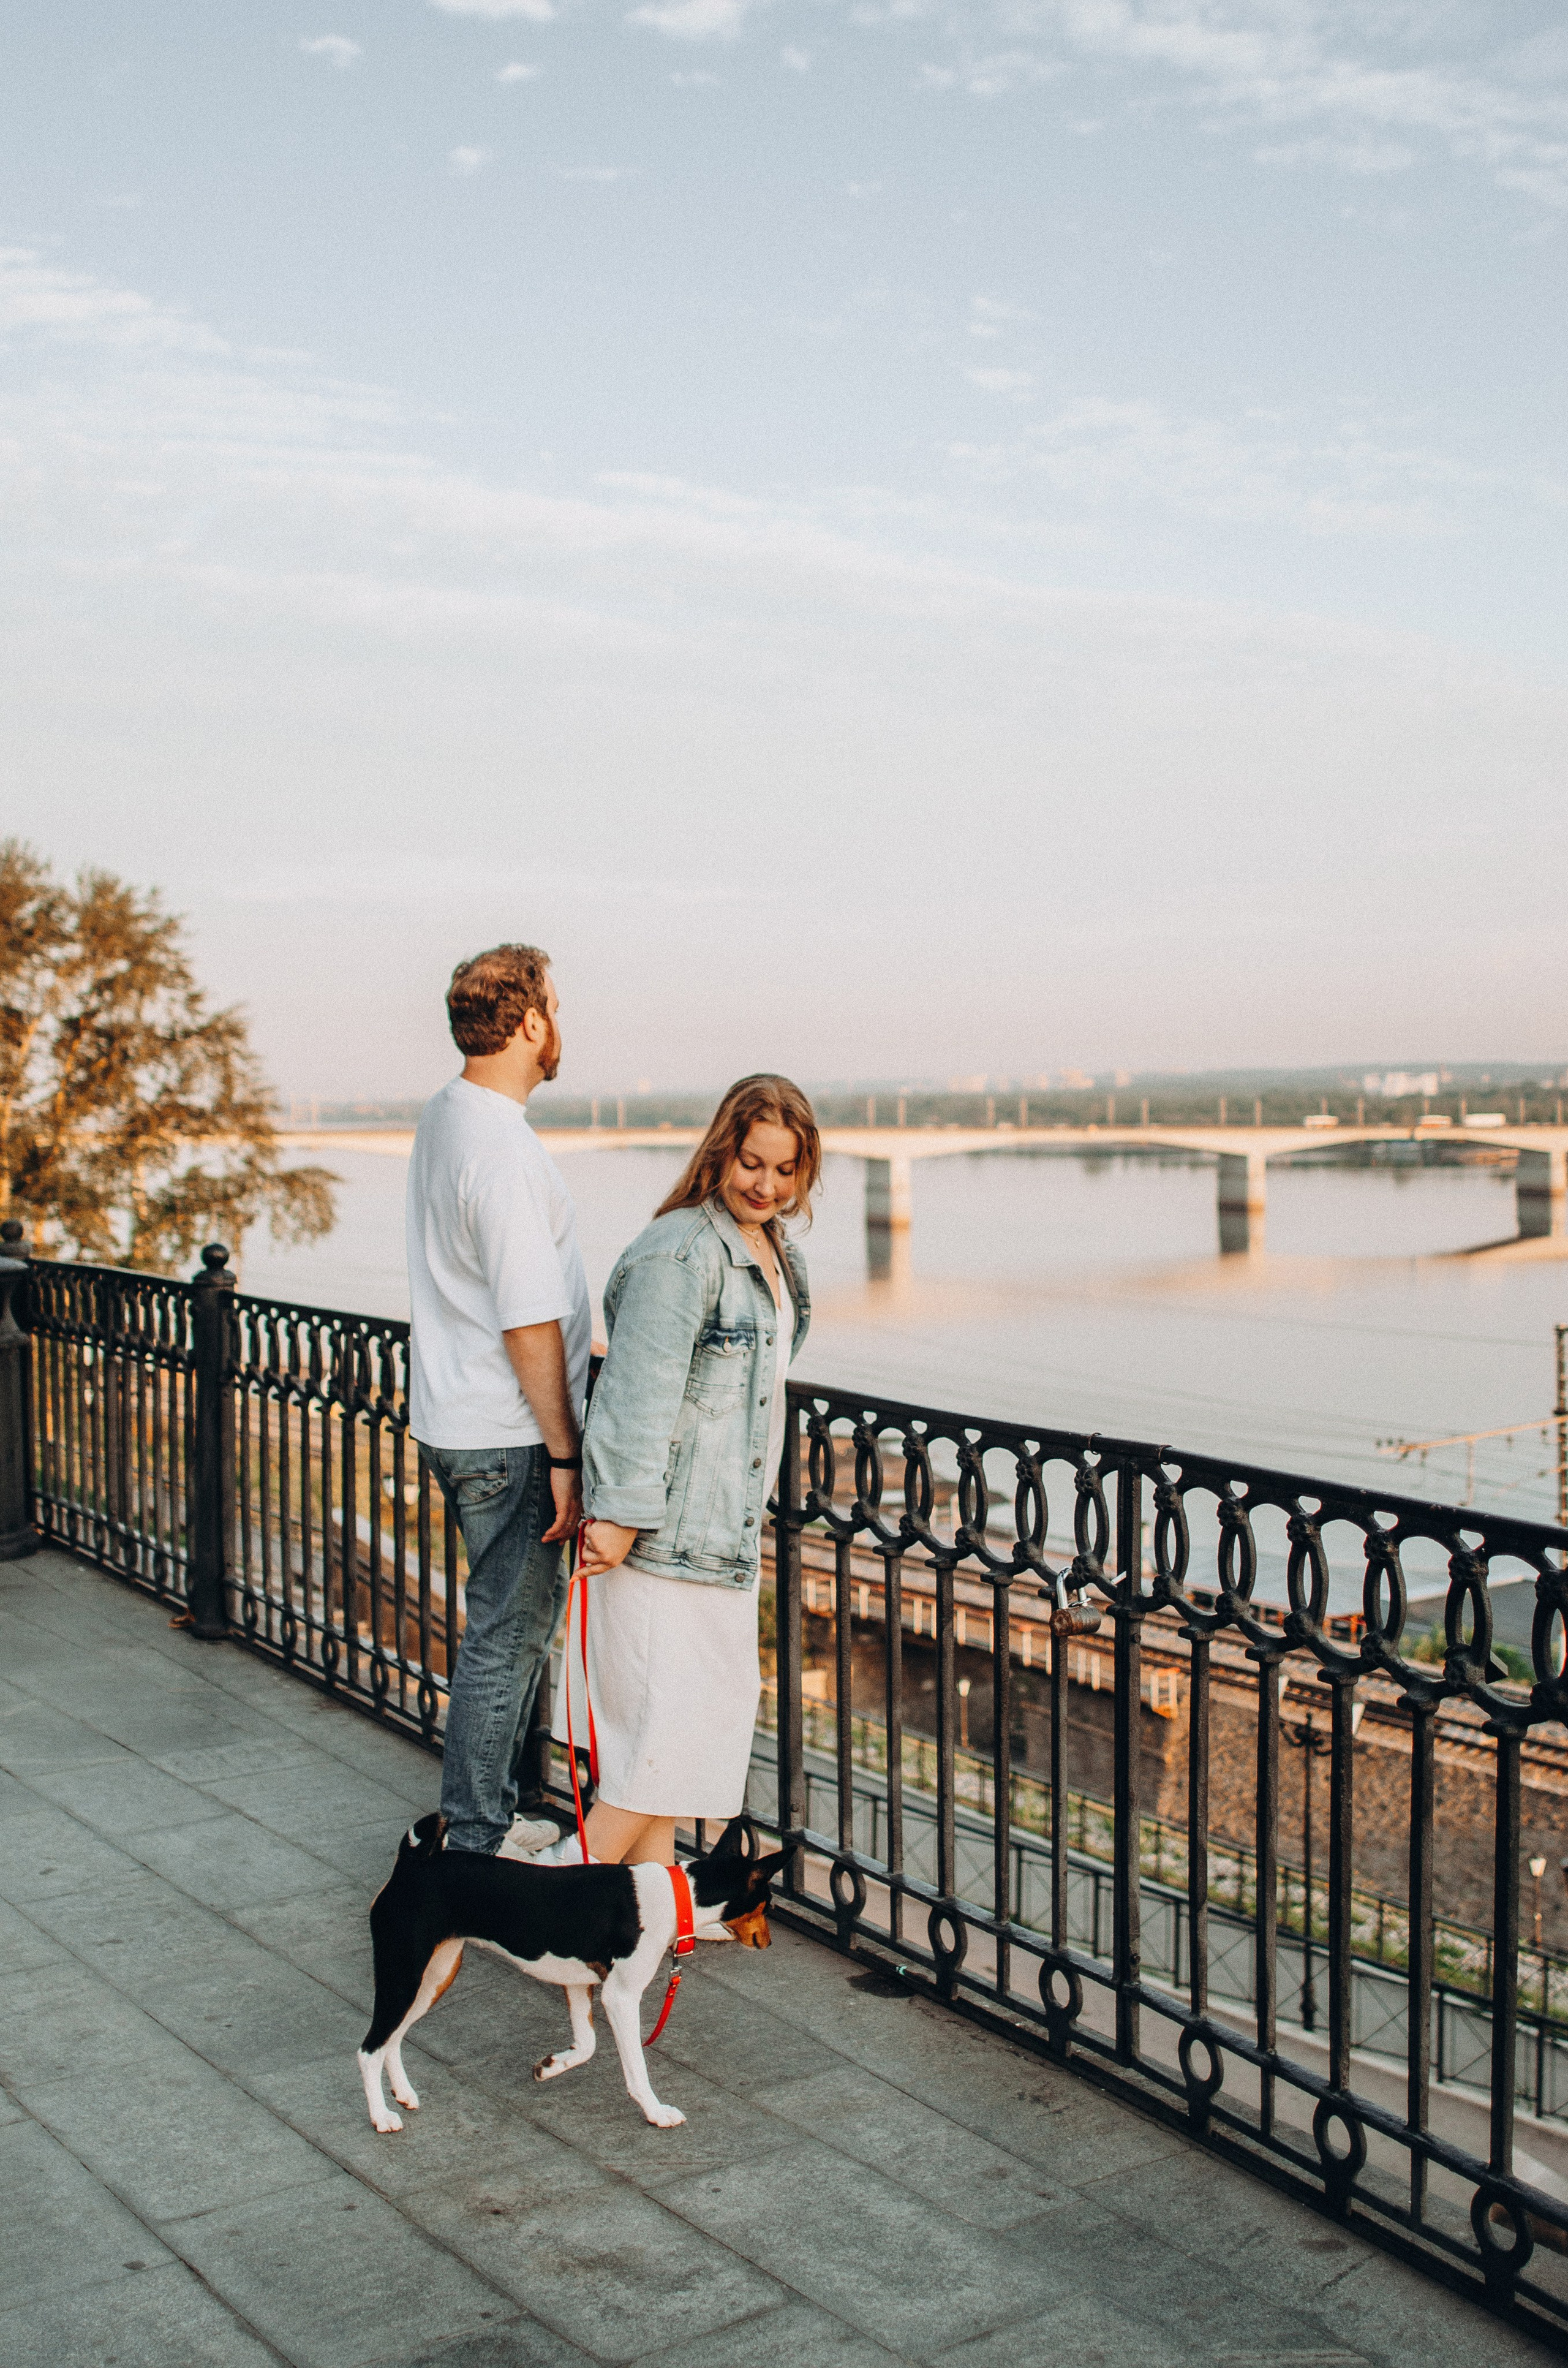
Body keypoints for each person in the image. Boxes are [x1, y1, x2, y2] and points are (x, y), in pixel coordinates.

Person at [550, 1074, 820, 1870]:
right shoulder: (683, 1252)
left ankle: (648, 1921)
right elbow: (636, 1393)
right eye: (751, 1162)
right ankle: (550, 1911)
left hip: (715, 1534)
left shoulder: (773, 1252)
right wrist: (624, 1514)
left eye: (784, 1168)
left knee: (662, 1752)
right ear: (720, 1152)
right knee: (661, 1750)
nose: (766, 1184)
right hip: (663, 1540)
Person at [406, 943, 592, 1857]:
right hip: (509, 1431)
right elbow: (528, 1320)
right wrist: (564, 1452)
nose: (561, 1022)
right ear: (528, 1022)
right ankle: (473, 1845)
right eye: (554, 1005)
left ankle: (509, 1808)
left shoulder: (447, 1114)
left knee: (509, 1626)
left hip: (454, 1415)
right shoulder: (503, 1148)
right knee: (508, 1637)